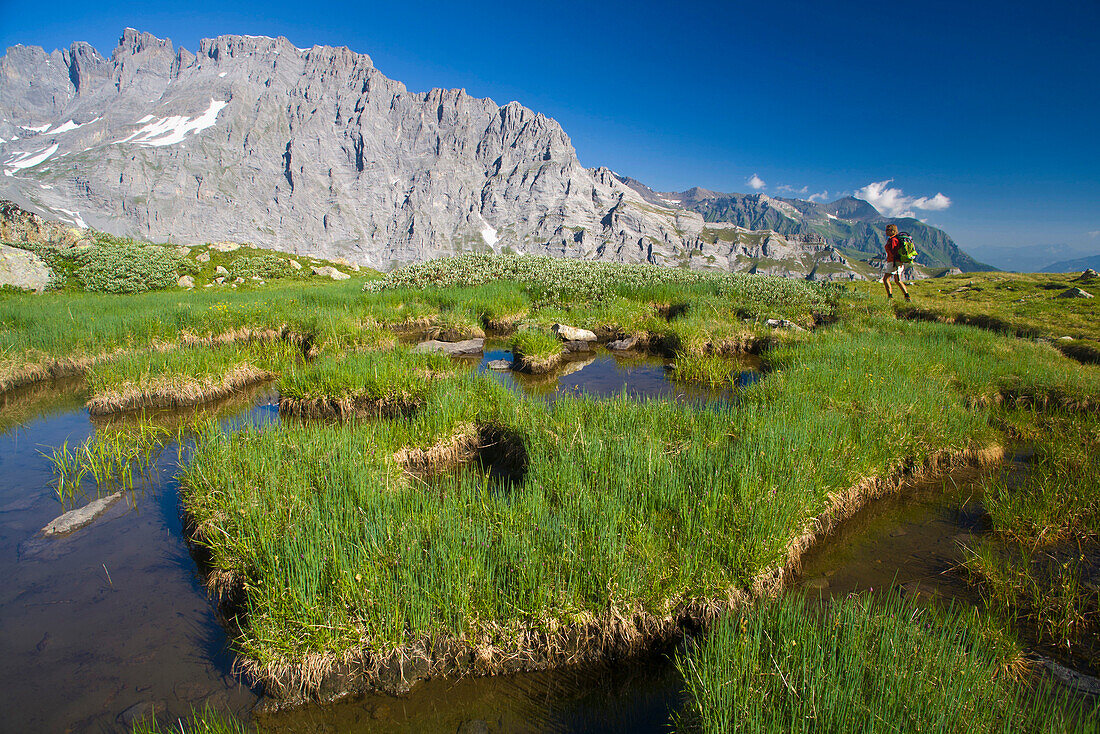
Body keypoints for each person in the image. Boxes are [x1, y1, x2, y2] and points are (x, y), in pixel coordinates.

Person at [881, 224, 911, 301]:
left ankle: (890, 297)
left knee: (886, 279)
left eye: (888, 230)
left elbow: (894, 251)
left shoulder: (893, 240)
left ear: (893, 231)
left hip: (893, 262)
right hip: (898, 262)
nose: (886, 231)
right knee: (898, 280)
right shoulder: (894, 239)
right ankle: (907, 296)